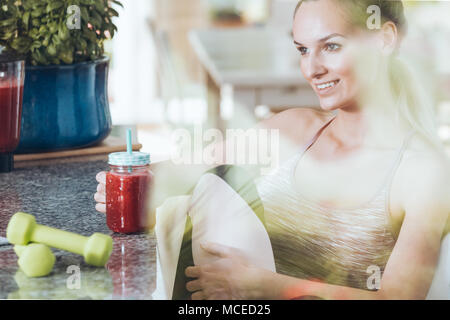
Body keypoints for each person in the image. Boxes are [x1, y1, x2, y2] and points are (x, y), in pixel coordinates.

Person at [94, 0, 450, 299]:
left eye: (332, 46)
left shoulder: (423, 173)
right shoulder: (294, 128)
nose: (312, 68)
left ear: (384, 39)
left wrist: (264, 286)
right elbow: (187, 165)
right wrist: (136, 180)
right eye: (302, 50)